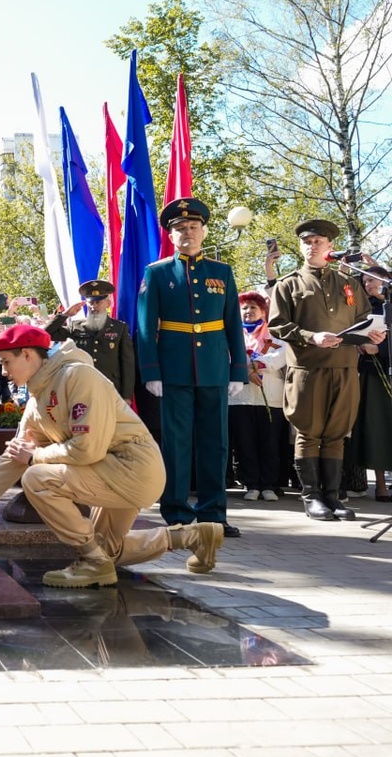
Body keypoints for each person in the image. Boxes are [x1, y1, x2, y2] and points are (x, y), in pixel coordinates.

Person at [0, 325, 224, 588]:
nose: (3, 371)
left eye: (5, 362)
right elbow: (13, 457)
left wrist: (35, 456)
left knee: (37, 479)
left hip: (132, 469)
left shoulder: (77, 376)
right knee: (107, 549)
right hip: (107, 471)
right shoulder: (38, 397)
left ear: (26, 354)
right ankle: (194, 536)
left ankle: (93, 563)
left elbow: (87, 448)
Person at [136, 198, 248, 537]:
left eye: (193, 227)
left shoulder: (221, 272)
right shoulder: (156, 273)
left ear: (204, 231)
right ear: (171, 235)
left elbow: (232, 324)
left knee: (216, 443)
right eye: (180, 228)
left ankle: (214, 512)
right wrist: (151, 371)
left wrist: (238, 370)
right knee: (177, 442)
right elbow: (144, 326)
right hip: (174, 370)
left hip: (214, 368)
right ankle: (177, 511)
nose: (187, 232)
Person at [268, 219, 384, 521]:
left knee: (335, 434)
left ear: (330, 247)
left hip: (345, 366)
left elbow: (364, 317)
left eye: (318, 241)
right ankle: (311, 497)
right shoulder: (289, 283)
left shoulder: (348, 283)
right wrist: (311, 336)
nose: (312, 246)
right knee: (309, 431)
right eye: (307, 242)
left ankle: (333, 497)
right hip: (308, 368)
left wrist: (374, 334)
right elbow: (278, 325)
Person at [228, 291, 287, 502]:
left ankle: (269, 485)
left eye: (253, 307)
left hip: (270, 395)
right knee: (245, 441)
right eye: (244, 308)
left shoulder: (273, 334)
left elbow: (281, 353)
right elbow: (227, 354)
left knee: (269, 441)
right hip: (240, 396)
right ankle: (251, 484)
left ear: (263, 311)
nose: (248, 311)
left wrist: (258, 365)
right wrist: (247, 371)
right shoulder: (231, 333)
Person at [46, 280, 135, 400]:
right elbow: (46, 334)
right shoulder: (76, 326)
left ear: (108, 303)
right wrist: (65, 315)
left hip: (110, 389)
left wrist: (127, 396)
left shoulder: (120, 328)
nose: (94, 307)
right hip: (81, 389)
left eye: (98, 302)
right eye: (91, 303)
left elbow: (127, 363)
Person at [347, 265, 392, 502]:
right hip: (372, 374)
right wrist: (361, 345)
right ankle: (381, 486)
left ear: (385, 280)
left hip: (387, 365)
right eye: (364, 281)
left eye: (371, 280)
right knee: (377, 428)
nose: (367, 284)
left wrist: (381, 348)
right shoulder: (364, 308)